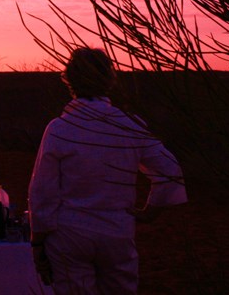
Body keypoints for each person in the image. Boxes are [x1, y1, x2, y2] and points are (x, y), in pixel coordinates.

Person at [27, 47, 187, 294]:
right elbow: (170, 170)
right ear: (109, 78)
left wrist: (38, 240)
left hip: (69, 234)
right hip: (117, 232)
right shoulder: (130, 125)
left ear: (70, 78)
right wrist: (150, 212)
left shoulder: (59, 129)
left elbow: (43, 192)